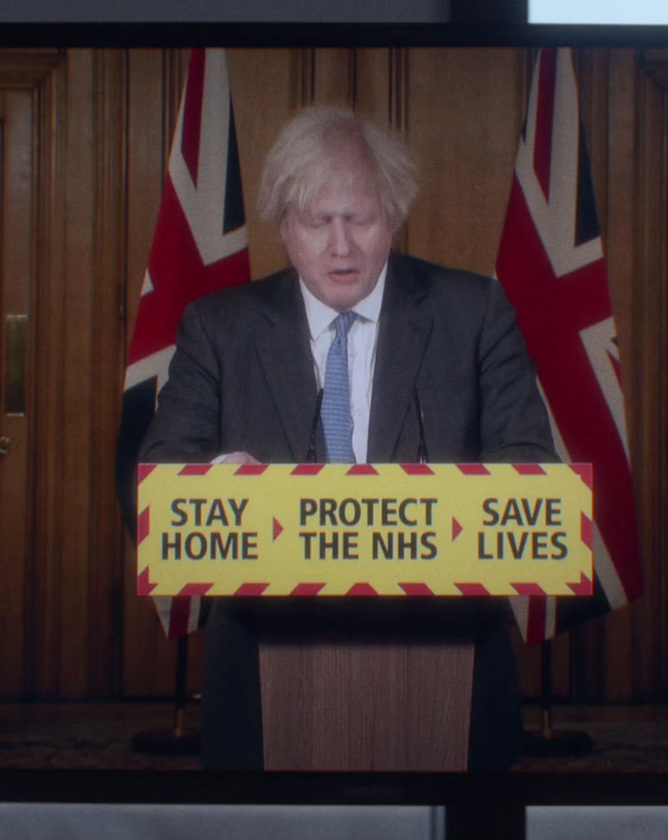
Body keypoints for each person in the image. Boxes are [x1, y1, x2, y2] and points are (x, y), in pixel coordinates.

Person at [138, 107, 556, 770]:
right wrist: (216, 477)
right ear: (283, 225)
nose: (341, 245)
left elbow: (531, 467)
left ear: (391, 215)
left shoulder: (473, 313)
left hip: (449, 659)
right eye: (316, 221)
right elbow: (163, 469)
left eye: (360, 219)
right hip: (261, 659)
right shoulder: (219, 327)